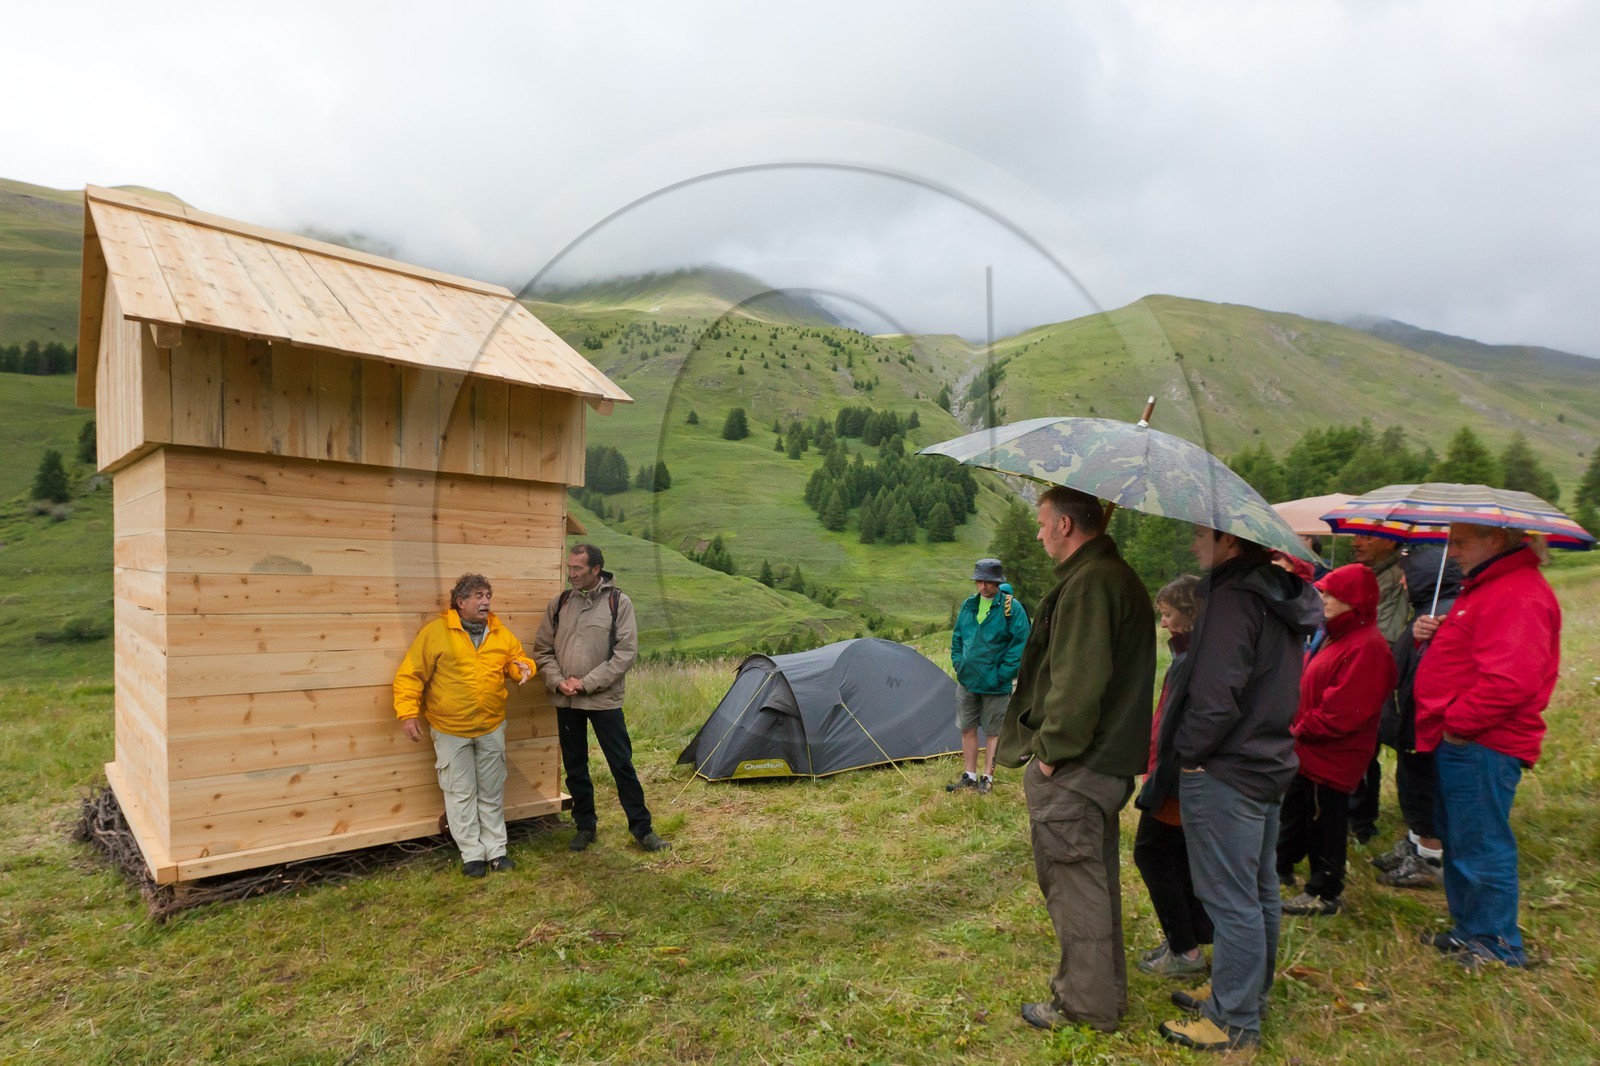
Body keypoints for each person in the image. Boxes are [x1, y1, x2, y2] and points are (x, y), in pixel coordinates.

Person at [1141, 525, 1322, 1053]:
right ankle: (1241, 993)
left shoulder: (1231, 600)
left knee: (1230, 899)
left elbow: (1216, 696)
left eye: (1202, 536)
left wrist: (1191, 754)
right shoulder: (1276, 591)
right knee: (1259, 890)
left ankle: (1233, 1020)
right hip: (1266, 760)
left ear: (1231, 542)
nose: (1195, 545)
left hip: (1226, 768)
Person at [996, 486, 1156, 1035]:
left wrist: (1049, 755)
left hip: (1078, 765)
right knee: (1093, 876)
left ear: (1066, 525)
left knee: (1074, 885)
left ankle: (1084, 1006)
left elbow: (1078, 683)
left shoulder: (1091, 586)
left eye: (1042, 524)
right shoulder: (1105, 578)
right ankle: (1103, 994)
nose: (1038, 533)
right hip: (1102, 761)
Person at [1413, 524, 1561, 968]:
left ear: (1496, 540)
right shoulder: (1490, 587)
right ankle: (1470, 931)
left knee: (1480, 842)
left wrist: (1458, 725)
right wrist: (1437, 634)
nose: (1451, 551)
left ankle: (1497, 945)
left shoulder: (1517, 592)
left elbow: (1510, 680)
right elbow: (1479, 652)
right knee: (1461, 837)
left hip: (1481, 742)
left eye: (1459, 542)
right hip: (1467, 740)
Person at [394, 573, 535, 877]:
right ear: (461, 602)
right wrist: (407, 713)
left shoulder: (500, 633)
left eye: (488, 596)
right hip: (450, 729)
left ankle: (497, 852)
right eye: (478, 596)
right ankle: (472, 854)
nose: (485, 602)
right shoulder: (436, 633)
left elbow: (516, 660)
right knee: (460, 792)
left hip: (490, 726)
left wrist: (523, 668)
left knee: (491, 790)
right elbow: (410, 675)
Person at [1277, 564, 1397, 916]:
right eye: (1324, 591)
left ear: (1354, 600)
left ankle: (1325, 892)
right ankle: (1286, 870)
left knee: (1325, 823)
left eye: (1332, 593)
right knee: (1304, 817)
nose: (1323, 598)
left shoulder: (1366, 647)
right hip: (1310, 750)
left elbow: (1343, 713)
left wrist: (1297, 729)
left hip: (1332, 756)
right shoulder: (1336, 635)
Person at [533, 543, 669, 853]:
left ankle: (642, 830)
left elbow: (625, 654)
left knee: (621, 764)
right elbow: (542, 650)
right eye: (569, 568)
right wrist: (557, 681)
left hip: (604, 701)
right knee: (575, 765)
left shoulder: (618, 603)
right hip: (566, 701)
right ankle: (585, 826)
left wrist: (585, 683)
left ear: (596, 570)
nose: (572, 574)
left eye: (578, 569)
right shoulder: (560, 604)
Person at [1133, 574, 1213, 978]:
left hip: (1176, 781)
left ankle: (1185, 951)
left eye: (1167, 615)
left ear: (1190, 614)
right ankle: (1189, 938)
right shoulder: (1198, 654)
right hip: (1177, 778)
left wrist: (1159, 776)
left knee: (1151, 853)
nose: (1163, 623)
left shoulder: (1192, 662)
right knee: (1177, 856)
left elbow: (1177, 729)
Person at [1371, 545, 1462, 889]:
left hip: (1425, 726)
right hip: (1412, 723)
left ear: (1428, 578)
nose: (1404, 584)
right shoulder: (1427, 612)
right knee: (1414, 788)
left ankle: (1428, 860)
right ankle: (1416, 845)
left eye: (1410, 576)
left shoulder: (1442, 616)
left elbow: (1428, 679)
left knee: (1423, 791)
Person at [947, 558, 1031, 795]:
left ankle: (988, 777)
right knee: (967, 728)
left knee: (993, 732)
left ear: (998, 582)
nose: (984, 586)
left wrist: (1002, 674)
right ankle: (970, 775)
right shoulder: (969, 605)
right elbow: (958, 637)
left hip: (996, 685)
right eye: (980, 581)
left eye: (989, 582)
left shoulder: (1011, 609)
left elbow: (1020, 645)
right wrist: (958, 663)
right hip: (967, 681)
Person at [1347, 533, 1411, 843]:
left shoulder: (1398, 576)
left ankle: (1361, 823)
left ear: (1389, 541)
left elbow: (1387, 633)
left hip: (1374, 672)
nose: (1356, 542)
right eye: (1355, 536)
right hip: (1364, 665)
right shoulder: (1373, 573)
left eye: (1366, 537)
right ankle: (1356, 816)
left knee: (1365, 741)